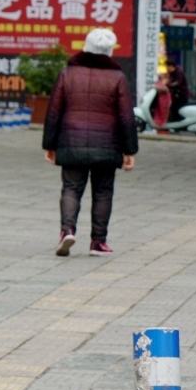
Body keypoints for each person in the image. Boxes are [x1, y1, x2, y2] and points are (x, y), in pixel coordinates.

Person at [42, 28, 138, 256]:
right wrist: (129, 150)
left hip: (72, 141)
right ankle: (98, 242)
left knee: (71, 188)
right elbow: (126, 117)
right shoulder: (117, 77)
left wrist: (50, 144)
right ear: (109, 51)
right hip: (107, 145)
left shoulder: (67, 73)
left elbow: (54, 111)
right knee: (103, 192)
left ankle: (67, 230)